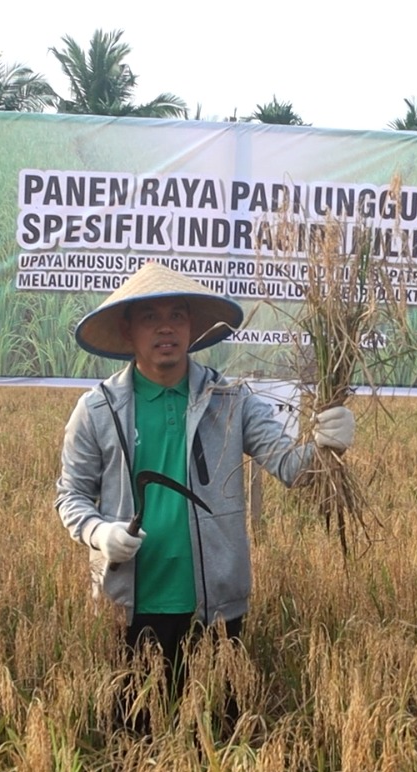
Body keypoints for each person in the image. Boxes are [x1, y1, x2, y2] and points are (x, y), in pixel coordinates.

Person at [55, 262, 354, 723]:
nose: (166, 328)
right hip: (131, 605)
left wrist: (328, 446)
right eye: (151, 317)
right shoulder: (96, 410)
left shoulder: (232, 402)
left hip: (215, 606)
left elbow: (294, 469)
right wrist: (100, 533)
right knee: (136, 736)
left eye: (177, 315)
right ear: (128, 329)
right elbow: (70, 497)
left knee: (217, 731)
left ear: (193, 328)